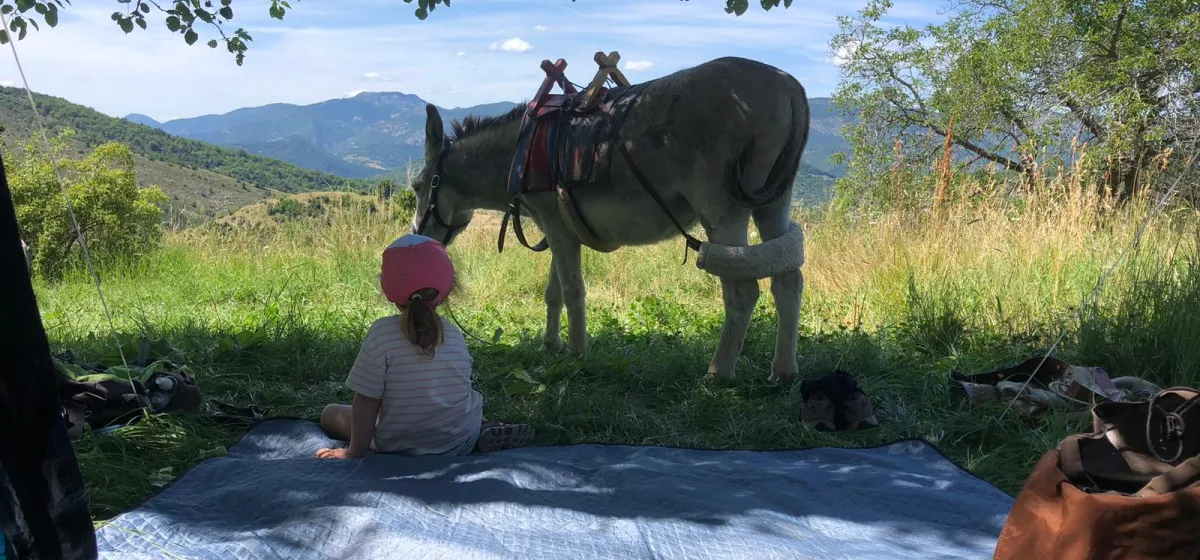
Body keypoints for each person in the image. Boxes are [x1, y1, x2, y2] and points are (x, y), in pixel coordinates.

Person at [315, 234, 535, 460]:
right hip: (459, 440)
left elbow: (367, 401)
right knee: (461, 400)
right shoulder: (453, 333)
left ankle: (478, 426)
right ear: (447, 288)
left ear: (388, 288)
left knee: (330, 413)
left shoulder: (381, 334)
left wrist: (353, 452)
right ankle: (483, 426)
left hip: (398, 443)